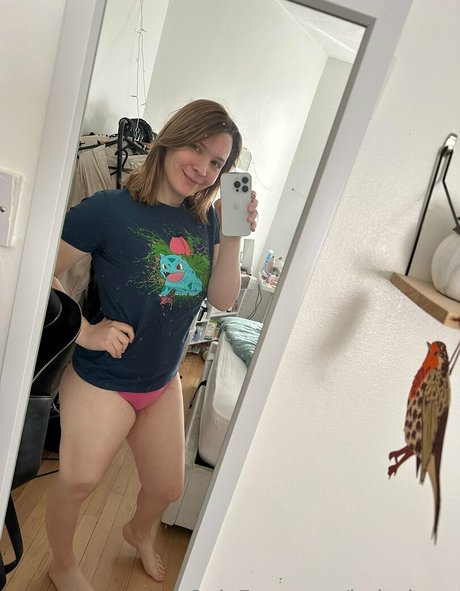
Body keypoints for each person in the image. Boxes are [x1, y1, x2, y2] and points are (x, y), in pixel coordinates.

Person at [46, 98, 258, 591]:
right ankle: (61, 563)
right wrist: (85, 330)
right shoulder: (108, 209)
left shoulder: (205, 221)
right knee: (78, 481)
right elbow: (39, 269)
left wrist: (233, 237)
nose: (203, 168)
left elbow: (223, 299)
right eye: (197, 149)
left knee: (167, 487)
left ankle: (137, 531)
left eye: (217, 163)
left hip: (162, 380)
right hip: (104, 377)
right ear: (171, 137)